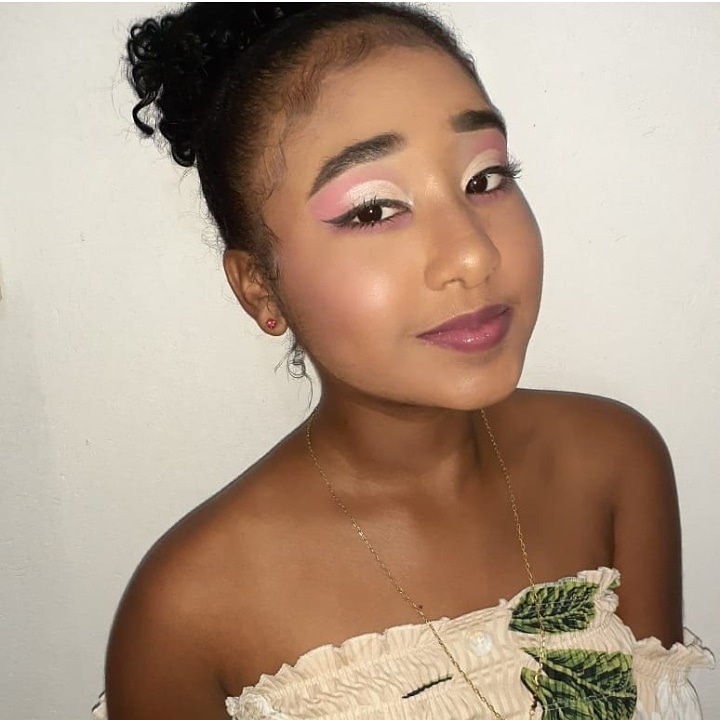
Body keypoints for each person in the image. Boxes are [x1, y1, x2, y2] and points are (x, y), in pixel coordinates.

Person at [94, 3, 713, 719]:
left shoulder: (614, 462)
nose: (473, 254)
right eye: (373, 210)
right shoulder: (186, 613)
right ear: (260, 287)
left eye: (485, 178)